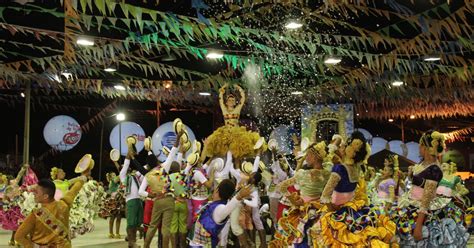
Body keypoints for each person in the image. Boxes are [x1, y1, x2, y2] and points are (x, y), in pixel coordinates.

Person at [312, 131, 395, 247]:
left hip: (337, 210)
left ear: (349, 149)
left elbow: (325, 195)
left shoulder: (339, 169)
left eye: (344, 146)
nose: (341, 147)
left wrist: (332, 213)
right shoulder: (356, 168)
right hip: (354, 209)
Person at [14, 169, 89, 247]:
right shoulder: (64, 204)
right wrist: (83, 177)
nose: (34, 194)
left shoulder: (36, 214)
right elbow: (74, 190)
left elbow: (18, 236)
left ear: (45, 196)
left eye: (36, 192)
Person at [189, 179, 253, 248]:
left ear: (217, 191)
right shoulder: (213, 204)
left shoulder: (219, 208)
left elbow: (227, 209)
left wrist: (239, 196)